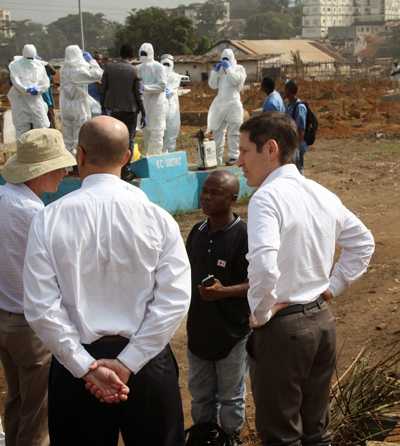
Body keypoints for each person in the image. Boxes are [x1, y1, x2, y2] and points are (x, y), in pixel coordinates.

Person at [23, 116, 191, 446]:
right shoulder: (158, 219)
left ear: (79, 155)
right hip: (145, 362)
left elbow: (41, 307)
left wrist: (86, 367)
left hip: (78, 367)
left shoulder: (49, 219)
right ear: (128, 156)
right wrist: (128, 362)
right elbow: (174, 299)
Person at [237, 112, 375, 446]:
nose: (238, 161)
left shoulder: (266, 199)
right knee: (316, 431)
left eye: (244, 151)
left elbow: (265, 266)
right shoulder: (320, 193)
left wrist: (261, 311)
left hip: (284, 330)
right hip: (320, 323)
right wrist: (333, 287)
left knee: (281, 435)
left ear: (270, 149)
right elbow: (363, 243)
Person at [0, 128, 76, 446]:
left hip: (5, 312)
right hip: (29, 322)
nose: (63, 173)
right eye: (58, 168)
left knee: (18, 396)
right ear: (40, 171)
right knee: (38, 411)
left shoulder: (5, 198)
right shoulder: (36, 214)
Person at [185, 171, 250, 446]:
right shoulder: (197, 232)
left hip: (232, 332)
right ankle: (204, 437)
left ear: (233, 199)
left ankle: (230, 438)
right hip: (199, 331)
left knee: (231, 396)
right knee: (200, 394)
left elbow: (258, 282)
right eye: (205, 191)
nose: (206, 197)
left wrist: (224, 292)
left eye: (215, 193)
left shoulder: (244, 235)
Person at [101, 44, 146, 179]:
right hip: (130, 111)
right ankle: (125, 170)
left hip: (113, 110)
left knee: (114, 139)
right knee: (129, 140)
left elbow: (103, 90)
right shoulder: (134, 70)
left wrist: (103, 107)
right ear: (131, 56)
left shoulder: (109, 68)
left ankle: (113, 169)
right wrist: (144, 112)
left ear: (120, 54)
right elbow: (138, 94)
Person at [60, 45, 103, 153]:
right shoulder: (78, 71)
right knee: (80, 137)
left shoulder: (64, 68)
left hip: (65, 106)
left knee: (68, 138)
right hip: (78, 106)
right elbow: (98, 74)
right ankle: (78, 164)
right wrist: (92, 61)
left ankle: (69, 165)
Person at [207, 49, 246, 166]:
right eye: (223, 58)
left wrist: (229, 68)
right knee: (217, 131)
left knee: (234, 131)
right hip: (220, 102)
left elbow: (236, 81)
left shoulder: (239, 68)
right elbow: (212, 85)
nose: (224, 61)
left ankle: (234, 156)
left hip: (233, 102)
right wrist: (214, 72)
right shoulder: (220, 71)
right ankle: (216, 159)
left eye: (227, 59)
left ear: (232, 59)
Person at [7, 44, 50, 137]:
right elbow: (15, 80)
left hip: (35, 101)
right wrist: (25, 89)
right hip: (20, 101)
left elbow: (45, 83)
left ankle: (40, 150)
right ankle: (23, 150)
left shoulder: (39, 66)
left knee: (41, 126)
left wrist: (38, 89)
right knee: (21, 129)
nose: (30, 62)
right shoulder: (15, 65)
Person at [137, 43, 167, 156]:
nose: (143, 55)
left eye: (145, 53)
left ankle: (156, 156)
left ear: (150, 53)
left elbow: (162, 86)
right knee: (146, 131)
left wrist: (145, 88)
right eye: (141, 53)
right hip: (144, 104)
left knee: (157, 131)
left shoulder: (159, 67)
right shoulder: (138, 68)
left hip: (157, 104)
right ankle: (147, 157)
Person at [284, 79, 308, 174]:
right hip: (291, 142)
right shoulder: (289, 105)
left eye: (285, 89)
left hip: (297, 143)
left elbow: (301, 129)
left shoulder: (299, 107)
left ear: (289, 91)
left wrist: (297, 146)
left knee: (298, 168)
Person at [161, 54, 181, 152]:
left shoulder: (176, 76)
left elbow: (172, 88)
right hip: (160, 109)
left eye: (168, 64)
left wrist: (170, 90)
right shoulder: (158, 76)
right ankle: (161, 156)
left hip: (173, 109)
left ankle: (171, 155)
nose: (165, 67)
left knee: (172, 133)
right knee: (160, 135)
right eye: (164, 64)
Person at [42, 62, 57, 128]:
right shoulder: (45, 66)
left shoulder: (39, 67)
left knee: (48, 115)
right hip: (46, 98)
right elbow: (54, 72)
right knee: (49, 115)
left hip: (45, 97)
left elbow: (54, 72)